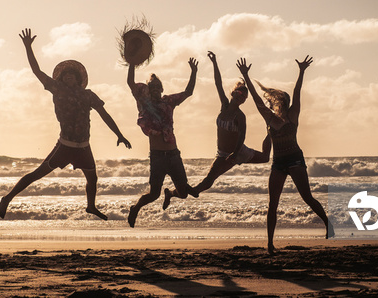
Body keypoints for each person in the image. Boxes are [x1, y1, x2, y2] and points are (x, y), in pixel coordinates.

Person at [0, 28, 131, 221]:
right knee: (37, 174)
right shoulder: (57, 89)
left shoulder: (88, 95)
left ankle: (91, 206)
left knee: (92, 178)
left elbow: (104, 114)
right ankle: (7, 198)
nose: (68, 77)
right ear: (61, 79)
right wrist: (28, 47)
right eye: (65, 75)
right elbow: (37, 71)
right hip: (65, 146)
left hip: (84, 146)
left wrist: (119, 134)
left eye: (72, 75)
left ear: (78, 79)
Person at [237, 55, 332, 253]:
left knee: (307, 197)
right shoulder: (269, 118)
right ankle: (270, 244)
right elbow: (256, 100)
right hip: (278, 163)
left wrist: (302, 71)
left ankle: (328, 224)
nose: (274, 104)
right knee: (273, 203)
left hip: (295, 160)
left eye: (278, 102)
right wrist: (246, 76)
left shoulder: (292, 115)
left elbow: (297, 93)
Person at [163, 51, 270, 210]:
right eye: (240, 94)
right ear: (233, 93)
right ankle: (173, 193)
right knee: (210, 178)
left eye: (244, 98)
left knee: (265, 158)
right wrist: (214, 63)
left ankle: (271, 131)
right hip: (222, 153)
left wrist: (235, 154)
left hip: (236, 153)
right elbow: (218, 84)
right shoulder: (225, 106)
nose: (241, 98)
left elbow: (242, 136)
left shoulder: (240, 116)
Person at [126, 57, 199, 227]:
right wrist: (131, 61)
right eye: (152, 87)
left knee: (183, 193)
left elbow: (188, 92)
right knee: (153, 194)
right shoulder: (144, 103)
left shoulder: (168, 102)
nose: (156, 90)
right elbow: (130, 82)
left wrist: (194, 72)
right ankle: (135, 209)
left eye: (158, 87)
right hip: (158, 156)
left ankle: (171, 194)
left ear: (162, 89)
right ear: (148, 90)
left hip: (173, 154)